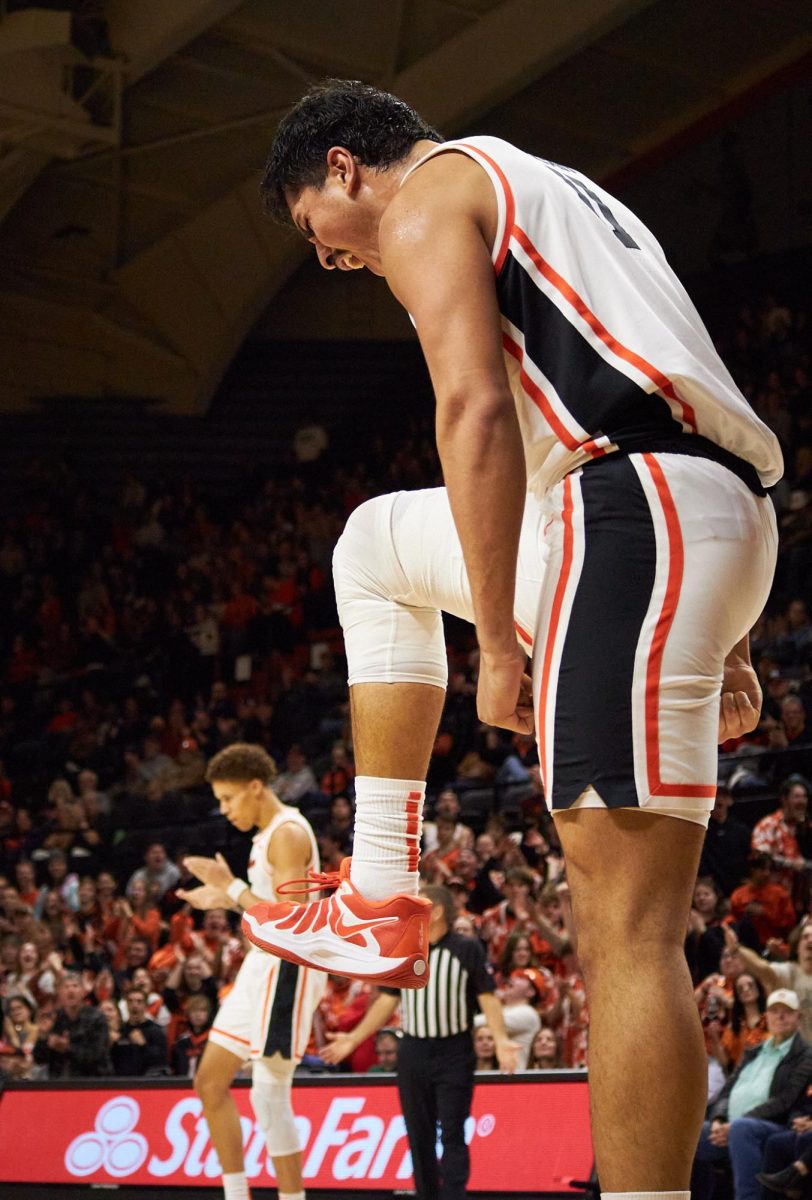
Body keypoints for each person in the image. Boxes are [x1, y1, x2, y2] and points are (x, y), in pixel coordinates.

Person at [244, 78, 783, 1200]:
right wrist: (724, 626)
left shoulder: (427, 196)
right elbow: (682, 378)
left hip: (631, 518)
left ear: (343, 166)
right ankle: (381, 889)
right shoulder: (570, 193)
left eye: (314, 232)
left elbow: (475, 410)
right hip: (686, 521)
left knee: (626, 936)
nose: (332, 260)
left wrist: (494, 636)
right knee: (372, 546)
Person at [178, 743, 326, 1200]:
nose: (223, 810)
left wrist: (232, 888)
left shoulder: (286, 833)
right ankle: (236, 1194)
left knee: (268, 1091)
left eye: (228, 798)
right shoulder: (266, 836)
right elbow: (264, 906)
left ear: (256, 788)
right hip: (261, 966)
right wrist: (220, 898)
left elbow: (291, 918)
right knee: (209, 1082)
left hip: (289, 968)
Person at [319, 885, 519, 1199]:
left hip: (454, 1050)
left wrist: (502, 1040)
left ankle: (454, 1195)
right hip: (413, 1051)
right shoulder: (408, 948)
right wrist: (354, 1038)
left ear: (436, 910)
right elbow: (387, 1001)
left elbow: (487, 997)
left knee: (453, 1131)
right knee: (418, 1134)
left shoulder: (467, 949)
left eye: (419, 905)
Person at [692, 989, 812, 1200]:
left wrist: (738, 1122)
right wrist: (719, 1119)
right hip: (729, 1126)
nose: (780, 1016)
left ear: (798, 1017)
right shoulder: (753, 1051)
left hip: (772, 1124)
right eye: (775, 1011)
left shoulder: (805, 1055)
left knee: (742, 1129)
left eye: (787, 1011)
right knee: (690, 1132)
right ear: (767, 1015)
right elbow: (726, 1091)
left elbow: (786, 1099)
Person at [724, 922, 812, 1041]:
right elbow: (762, 968)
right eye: (805, 937)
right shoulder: (789, 972)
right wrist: (736, 948)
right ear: (797, 946)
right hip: (796, 1055)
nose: (810, 940)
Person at [32, 972, 110, 1078]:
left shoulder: (96, 1018)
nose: (71, 990)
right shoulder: (54, 1019)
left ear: (83, 992)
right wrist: (43, 1036)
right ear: (59, 993)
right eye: (66, 987)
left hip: (92, 1081)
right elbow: (39, 1059)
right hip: (60, 1083)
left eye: (75, 986)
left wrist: (68, 1048)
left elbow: (97, 1055)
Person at [110, 985, 168, 1077]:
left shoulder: (156, 1031)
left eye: (139, 1001)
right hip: (122, 1083)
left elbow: (162, 1062)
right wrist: (111, 1045)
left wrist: (143, 1045)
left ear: (145, 1005)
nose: (134, 1005)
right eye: (130, 1001)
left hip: (147, 1083)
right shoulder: (120, 1031)